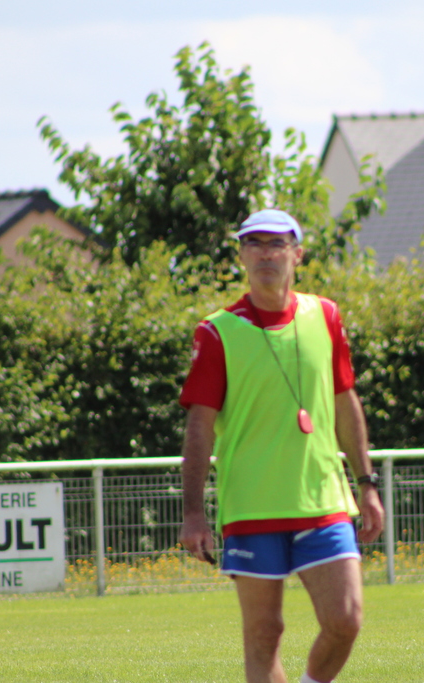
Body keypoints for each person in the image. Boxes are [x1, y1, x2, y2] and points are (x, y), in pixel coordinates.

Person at [178, 208, 385, 683]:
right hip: (252, 505)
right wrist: (193, 513)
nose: (266, 253)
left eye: (277, 243)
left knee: (346, 619)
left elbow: (345, 401)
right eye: (254, 243)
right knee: (264, 634)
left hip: (323, 500)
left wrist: (367, 484)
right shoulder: (217, 331)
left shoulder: (325, 316)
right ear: (241, 256)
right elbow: (199, 427)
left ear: (298, 254)